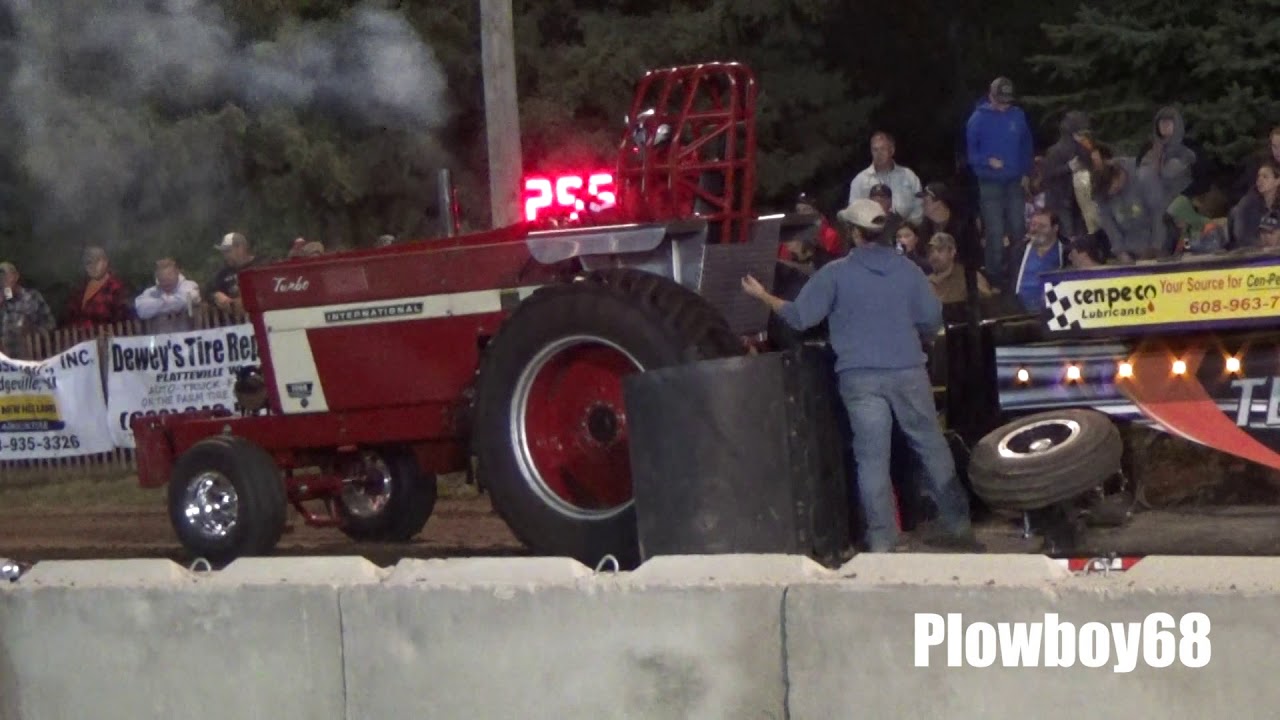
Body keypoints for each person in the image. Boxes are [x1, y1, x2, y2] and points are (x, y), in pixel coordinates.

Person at [740, 198, 980, 553]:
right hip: (909, 371)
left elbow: (799, 317)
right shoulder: (908, 271)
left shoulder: (836, 274)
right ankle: (958, 526)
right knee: (931, 446)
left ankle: (883, 540)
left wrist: (763, 296)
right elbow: (931, 318)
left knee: (872, 458)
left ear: (853, 233)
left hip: (860, 378)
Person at [965, 76, 1034, 290]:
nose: (1004, 105)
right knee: (995, 231)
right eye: (1000, 100)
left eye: (1007, 101)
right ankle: (994, 276)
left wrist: (1026, 172)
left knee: (1018, 228)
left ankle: (1018, 275)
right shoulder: (977, 119)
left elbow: (1026, 145)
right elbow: (970, 155)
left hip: (1014, 180)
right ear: (991, 95)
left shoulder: (1018, 115)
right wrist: (987, 161)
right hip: (989, 182)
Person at [847, 132, 924, 224]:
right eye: (875, 150)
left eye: (882, 149)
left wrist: (908, 229)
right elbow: (854, 211)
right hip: (871, 233)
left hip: (905, 233)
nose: (878, 154)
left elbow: (919, 205)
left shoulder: (908, 176)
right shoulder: (860, 180)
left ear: (892, 150)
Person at [64, 246, 132, 330]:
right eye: (88, 263)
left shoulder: (117, 288)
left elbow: (123, 322)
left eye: (96, 261)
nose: (92, 266)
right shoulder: (80, 289)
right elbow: (69, 317)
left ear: (106, 262)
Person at [1012, 210, 1066, 313]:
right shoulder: (1018, 251)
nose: (1036, 229)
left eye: (1042, 226)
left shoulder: (1067, 252)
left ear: (1055, 228)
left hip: (1054, 309)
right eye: (1033, 225)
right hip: (1019, 309)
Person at [0, 262, 55, 360]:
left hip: (31, 357)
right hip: (6, 362)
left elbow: (51, 324)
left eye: (5, 277)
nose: (3, 281)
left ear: (16, 276)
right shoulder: (3, 300)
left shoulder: (33, 297)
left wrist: (33, 330)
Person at [135, 258, 201, 334]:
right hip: (161, 342)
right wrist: (166, 301)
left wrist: (158, 305)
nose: (166, 284)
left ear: (177, 273)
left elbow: (185, 301)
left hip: (188, 336)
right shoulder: (151, 292)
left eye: (169, 279)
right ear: (157, 278)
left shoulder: (190, 286)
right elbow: (141, 310)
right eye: (162, 280)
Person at [926, 232, 994, 305]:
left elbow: (989, 305)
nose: (934, 256)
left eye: (940, 250)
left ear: (952, 252)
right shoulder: (925, 282)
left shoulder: (970, 277)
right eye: (931, 251)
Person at [210, 231, 261, 313]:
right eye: (223, 252)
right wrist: (216, 296)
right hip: (235, 323)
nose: (225, 256)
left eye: (227, 251)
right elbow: (208, 292)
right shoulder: (223, 273)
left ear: (240, 248)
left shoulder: (261, 265)